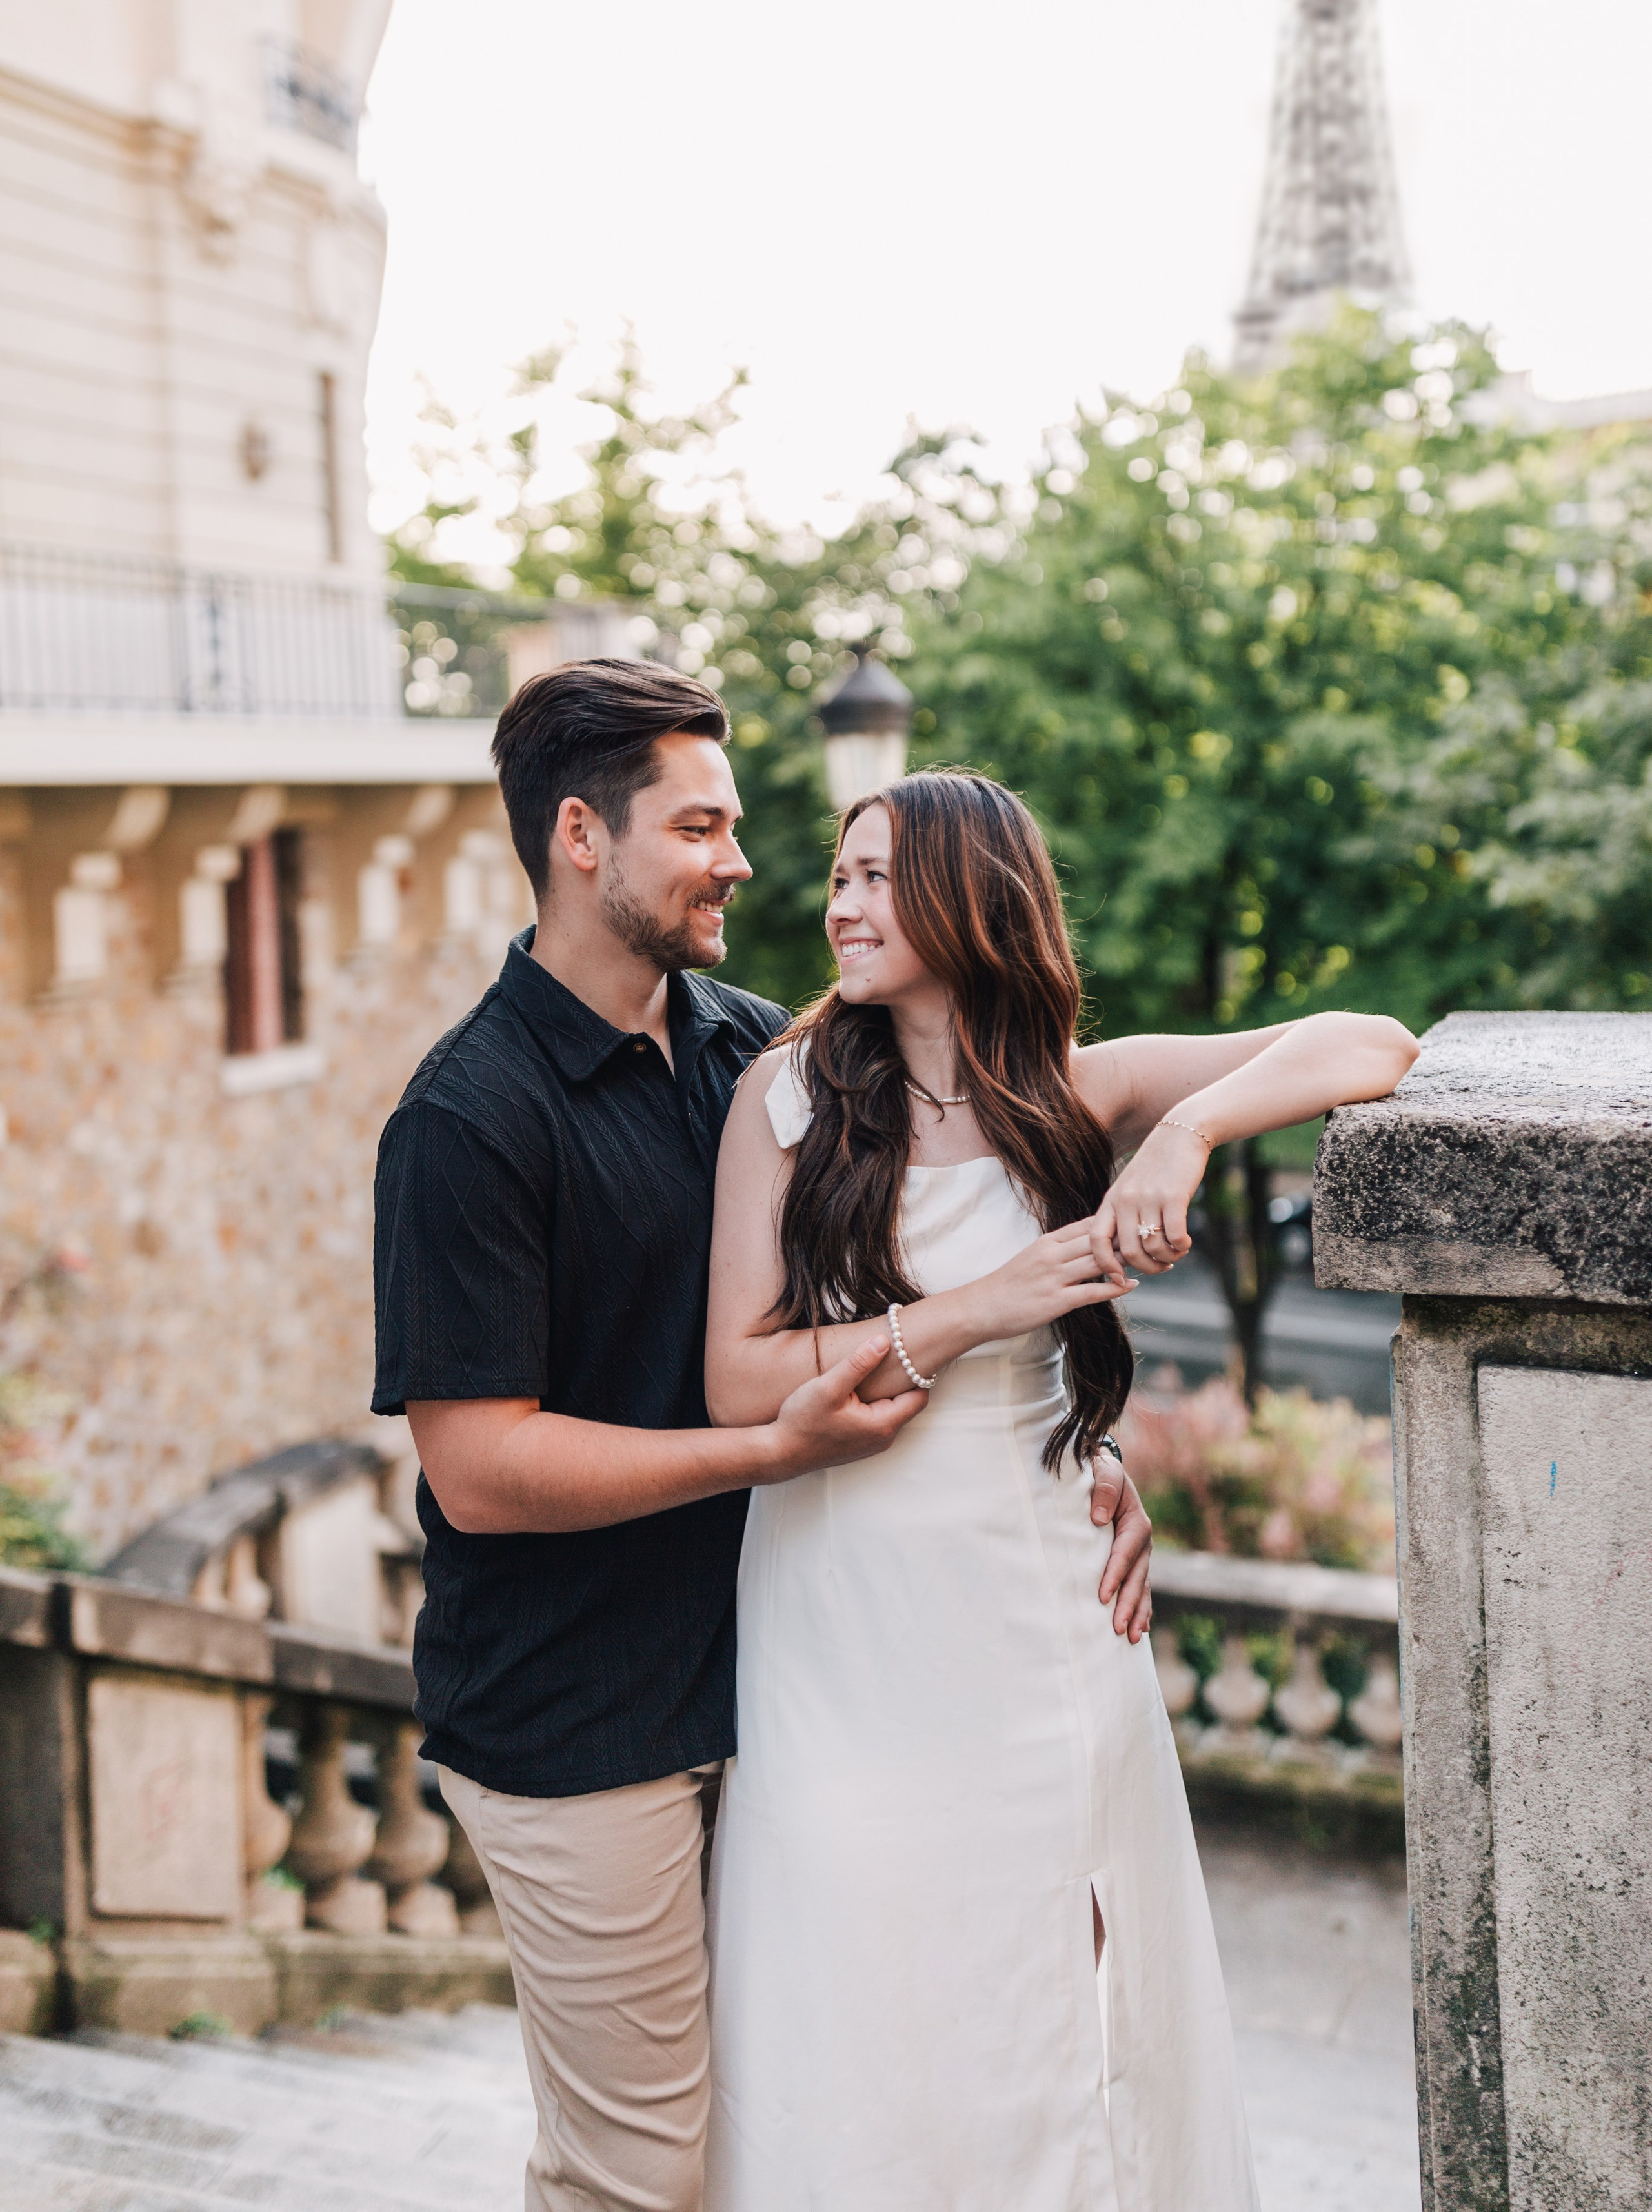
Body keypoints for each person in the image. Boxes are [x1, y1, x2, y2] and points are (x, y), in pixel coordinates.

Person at [371, 662, 1156, 2212]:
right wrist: (762, 1456)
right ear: (582, 837)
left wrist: (1074, 1452)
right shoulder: (466, 1121)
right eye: (703, 827)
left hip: (785, 1681)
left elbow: (907, 1271)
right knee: (636, 2171)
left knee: (786, 2125)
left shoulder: (757, 1057)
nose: (743, 861)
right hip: (580, 1719)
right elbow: (479, 1468)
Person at [701, 768, 1421, 2212]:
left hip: (1038, 1589)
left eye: (875, 876)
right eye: (835, 876)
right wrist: (980, 1302)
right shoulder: (781, 1100)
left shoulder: (1071, 1092)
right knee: (855, 1963)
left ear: (973, 896)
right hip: (844, 1598)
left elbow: (1375, 1039)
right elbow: (734, 1378)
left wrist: (1186, 1130)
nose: (839, 905)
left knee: (1056, 1973)